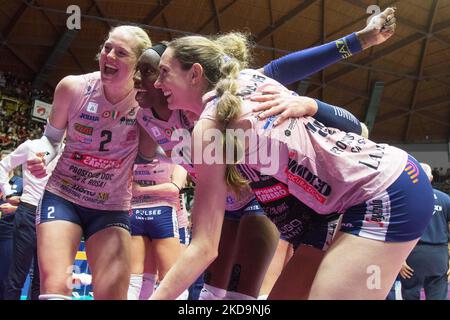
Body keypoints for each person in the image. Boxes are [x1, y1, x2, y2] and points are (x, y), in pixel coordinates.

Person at [149, 30, 434, 300]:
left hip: (383, 193)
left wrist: (315, 104)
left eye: (164, 72)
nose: (157, 84)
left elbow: (203, 247)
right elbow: (357, 129)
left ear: (195, 73)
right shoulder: (250, 79)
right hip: (363, 193)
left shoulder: (210, 127)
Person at [26, 25, 154, 300]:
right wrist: (42, 157)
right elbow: (51, 140)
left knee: (112, 295)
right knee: (56, 288)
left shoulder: (145, 104)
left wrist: (155, 112)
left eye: (121, 53)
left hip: (111, 207)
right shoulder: (73, 87)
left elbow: (148, 154)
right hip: (63, 197)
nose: (110, 55)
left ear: (138, 65)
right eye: (107, 47)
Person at [0, 139, 63, 300]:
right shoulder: (31, 146)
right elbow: (3, 165)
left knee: (41, 279)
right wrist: (7, 193)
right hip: (29, 209)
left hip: (53, 215)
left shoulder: (68, 150)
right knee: (17, 275)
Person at [127, 149, 188, 300]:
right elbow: (174, 188)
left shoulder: (134, 149)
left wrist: (139, 190)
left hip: (143, 213)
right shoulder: (178, 153)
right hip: (164, 215)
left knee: (140, 279)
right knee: (172, 279)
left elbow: (174, 188)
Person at [400, 163, 450, 300]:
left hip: (412, 254)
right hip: (438, 255)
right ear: (432, 178)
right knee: (438, 295)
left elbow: (397, 231)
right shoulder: (445, 199)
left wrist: (399, 259)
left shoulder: (404, 198)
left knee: (410, 293)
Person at [0, 150, 23, 300]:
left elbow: (31, 205)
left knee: (5, 276)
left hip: (8, 234)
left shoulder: (20, 182)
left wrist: (14, 209)